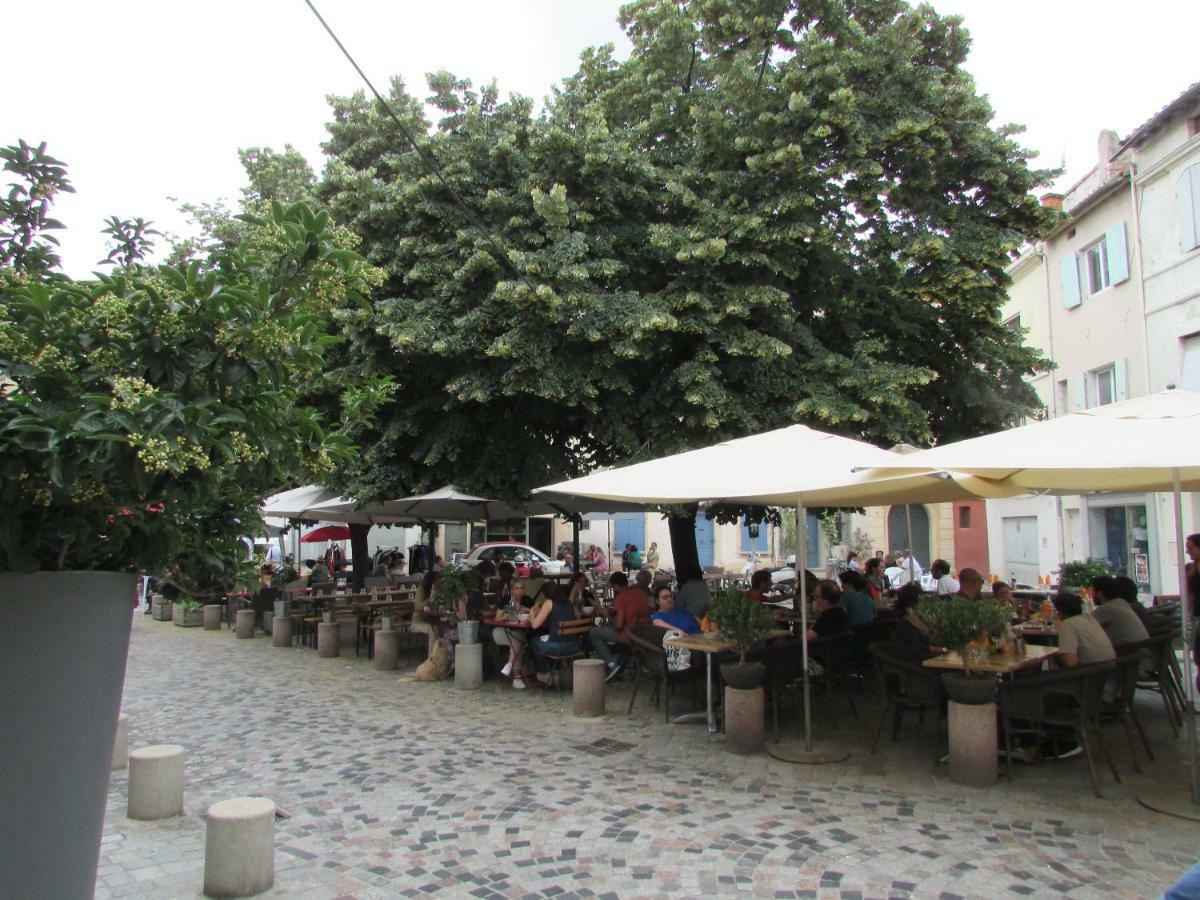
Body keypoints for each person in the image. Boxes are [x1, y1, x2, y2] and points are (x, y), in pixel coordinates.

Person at [589, 572, 651, 679]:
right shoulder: (640, 593)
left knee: (594, 633)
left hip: (628, 635)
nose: (613, 589)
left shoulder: (621, 598)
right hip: (643, 634)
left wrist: (608, 615)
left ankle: (612, 664)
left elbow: (618, 625)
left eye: (613, 586)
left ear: (616, 586)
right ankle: (616, 660)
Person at [528, 583, 583, 682]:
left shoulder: (549, 602)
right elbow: (578, 616)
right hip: (575, 645)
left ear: (545, 594)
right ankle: (555, 670)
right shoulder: (568, 602)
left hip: (559, 647)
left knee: (534, 641)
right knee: (546, 638)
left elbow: (535, 625)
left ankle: (546, 673)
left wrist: (531, 614)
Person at [1053, 591, 1115, 668]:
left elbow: (1070, 661)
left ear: (1059, 612)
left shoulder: (1068, 624)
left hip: (1091, 673)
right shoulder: (1089, 619)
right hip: (1109, 669)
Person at [1091, 575, 1149, 645]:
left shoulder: (1107, 608)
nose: (1091, 594)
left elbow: (1083, 626)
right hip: (1142, 651)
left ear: (1099, 594)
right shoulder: (1122, 603)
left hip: (1128, 652)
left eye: (1092, 591)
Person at [892, 583, 938, 657]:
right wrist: (941, 649)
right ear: (912, 603)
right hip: (918, 662)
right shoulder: (905, 624)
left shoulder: (921, 619)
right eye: (921, 599)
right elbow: (917, 647)